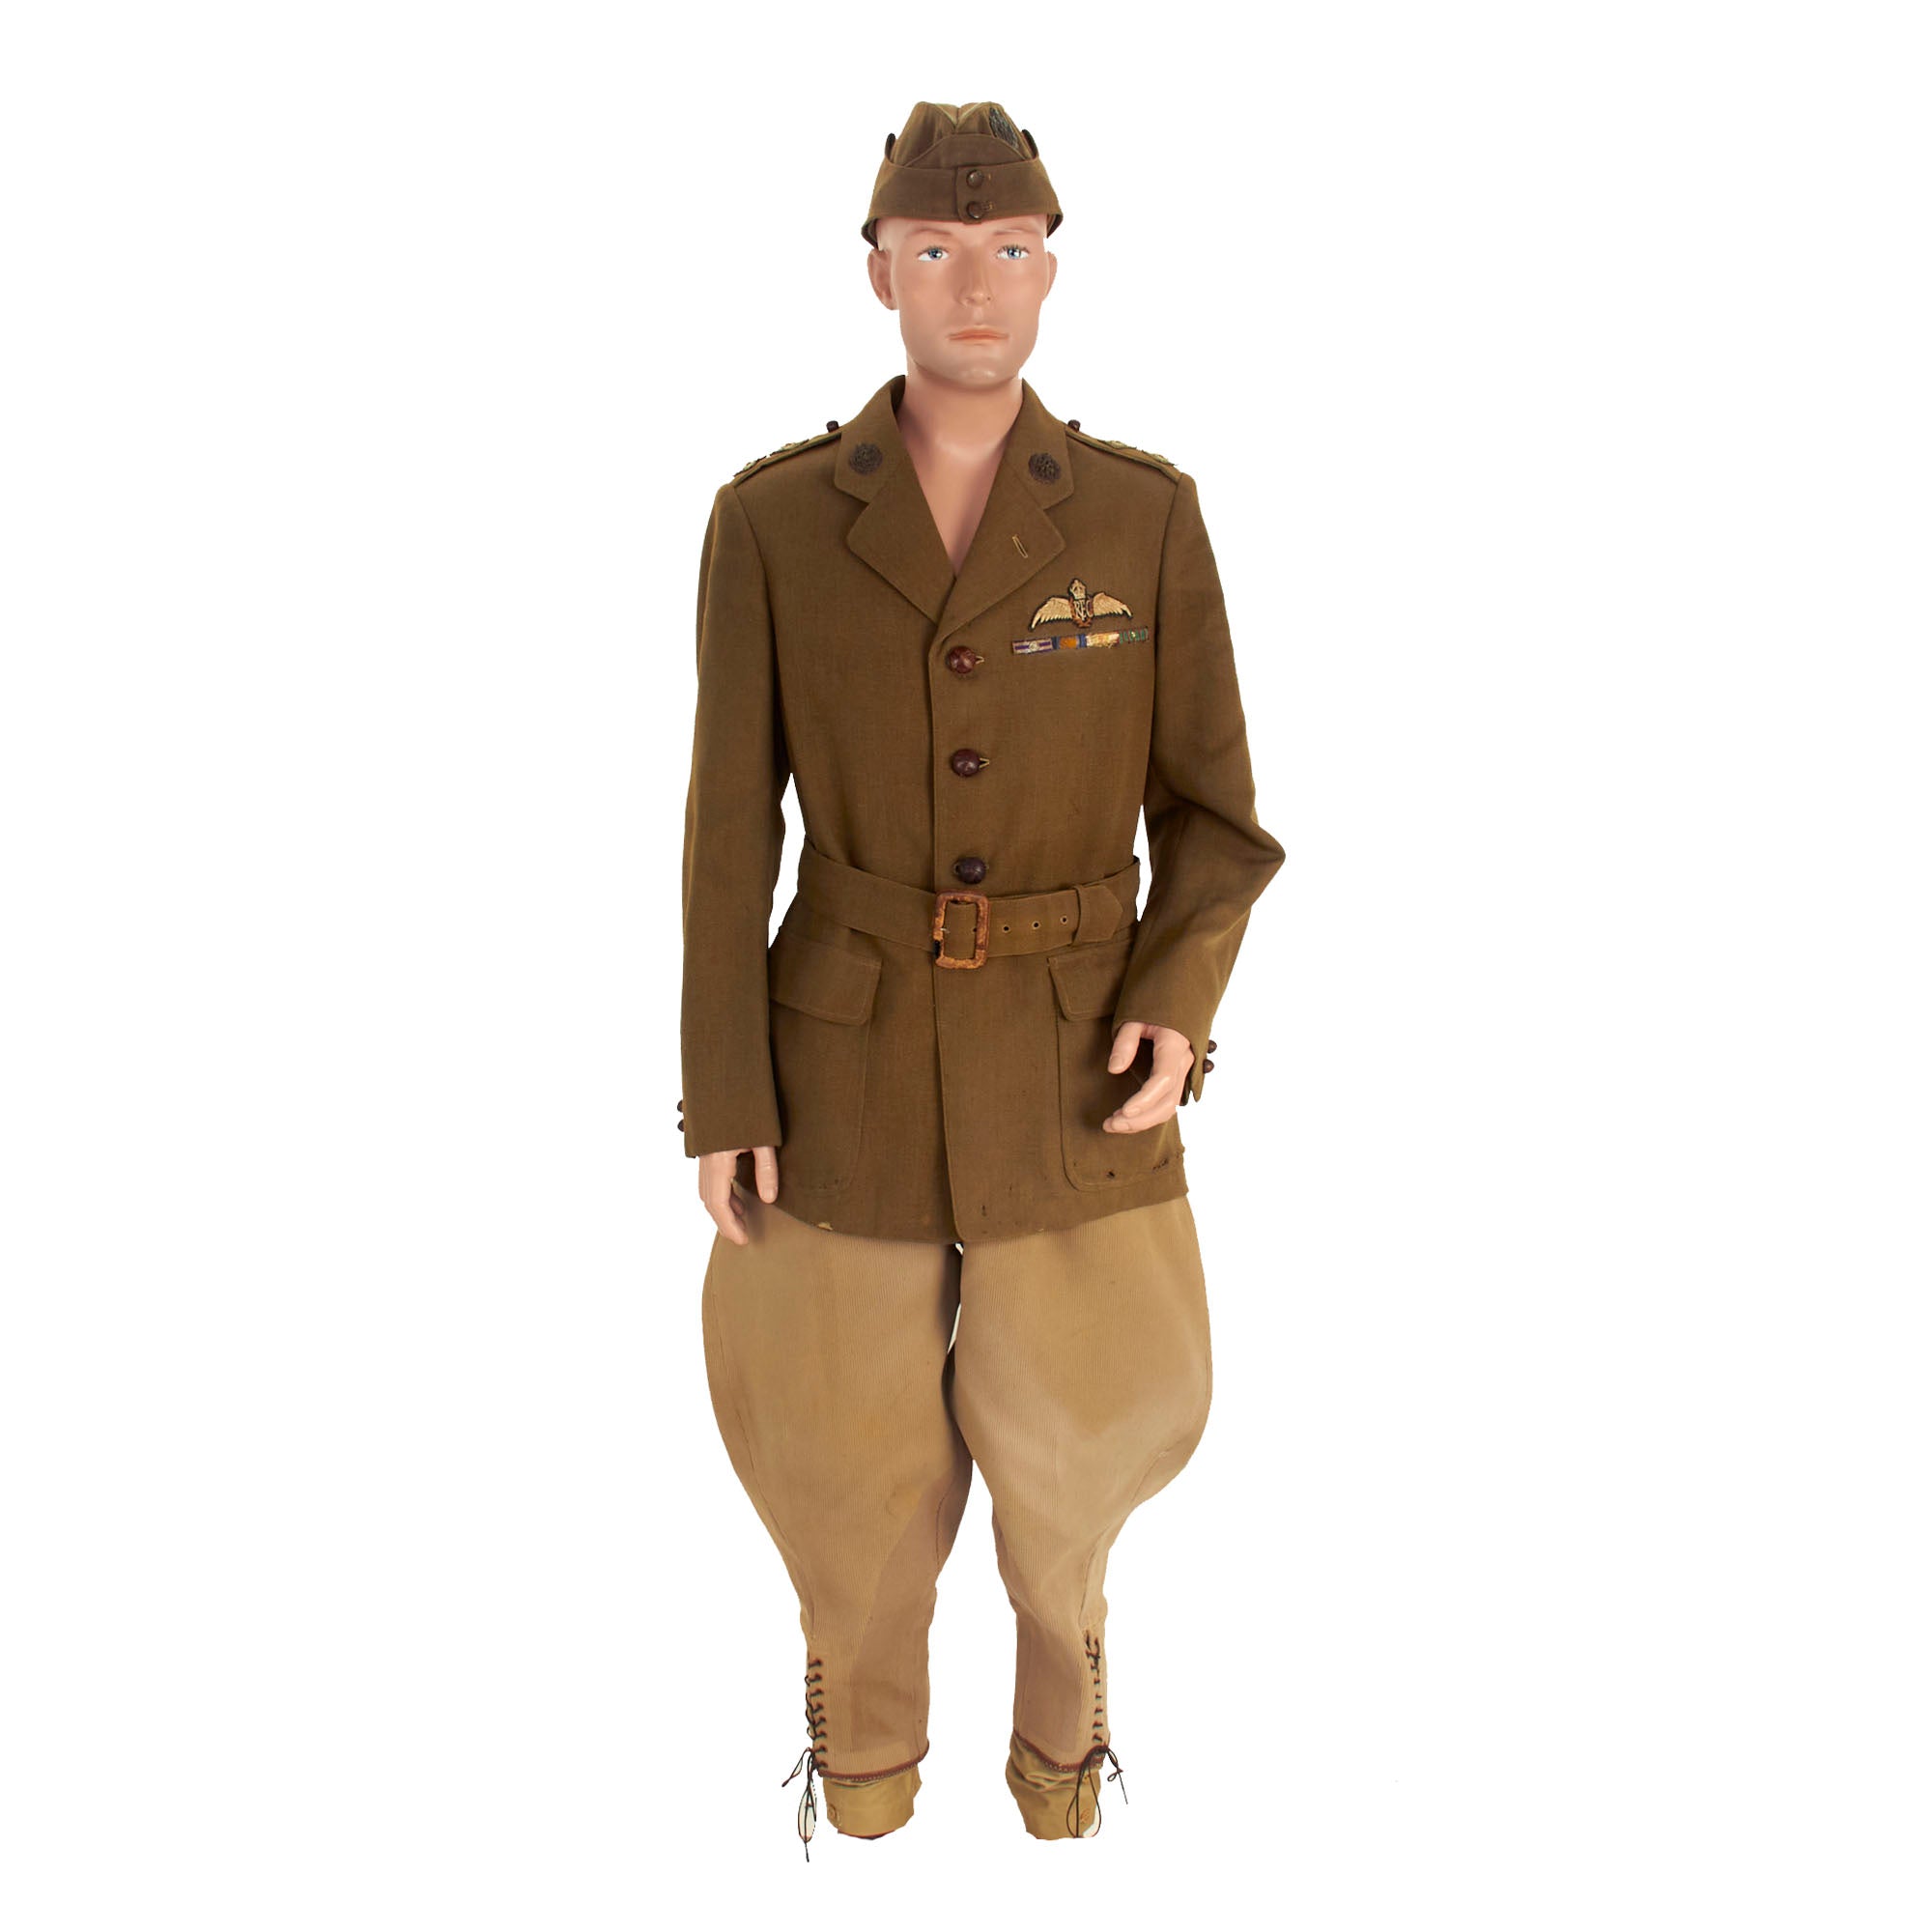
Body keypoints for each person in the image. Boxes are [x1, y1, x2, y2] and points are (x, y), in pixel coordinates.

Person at [679, 99, 1285, 1851]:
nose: (974, 286)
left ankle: (1060, 1772)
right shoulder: (773, 522)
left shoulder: (1142, 519)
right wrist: (725, 1092)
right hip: (840, 1070)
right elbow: (727, 834)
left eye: (1010, 249)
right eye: (935, 249)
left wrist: (1178, 1001)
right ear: (877, 271)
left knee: (1080, 1442)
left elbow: (1218, 822)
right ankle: (864, 1790)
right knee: (839, 1454)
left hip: (1074, 1062)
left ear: (1052, 272)